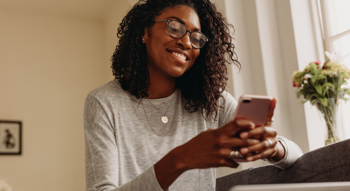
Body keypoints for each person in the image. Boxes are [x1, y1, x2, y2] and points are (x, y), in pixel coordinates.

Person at [83, 0, 303, 190]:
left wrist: (273, 147)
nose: (186, 42)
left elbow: (296, 155)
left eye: (196, 37)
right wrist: (180, 158)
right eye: (175, 27)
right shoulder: (105, 102)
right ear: (144, 31)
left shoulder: (212, 101)